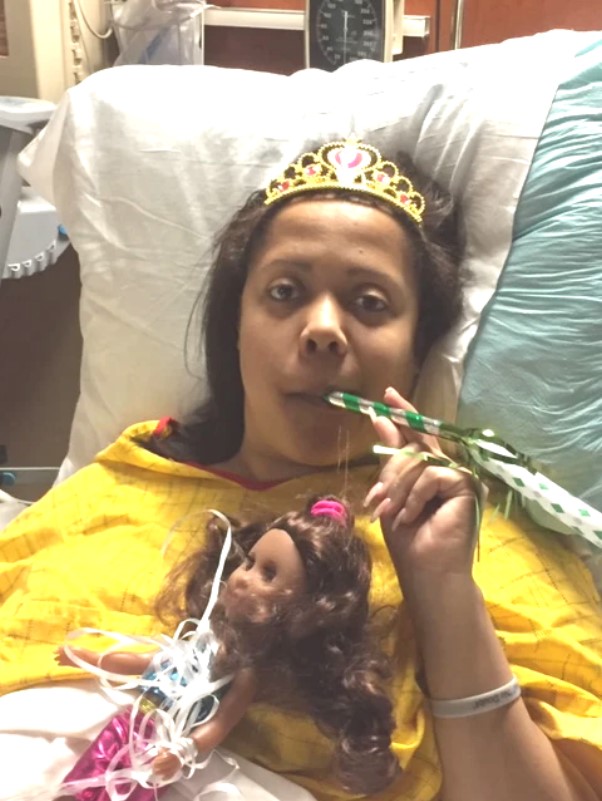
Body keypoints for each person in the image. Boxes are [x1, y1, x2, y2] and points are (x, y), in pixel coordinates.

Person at [0, 137, 601, 801]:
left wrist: (443, 593)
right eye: (285, 292)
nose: (322, 329)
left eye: (370, 302)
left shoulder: (477, 544)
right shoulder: (112, 491)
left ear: (417, 349)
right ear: (235, 327)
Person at [53, 496, 397, 800]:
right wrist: (90, 658)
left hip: (161, 751)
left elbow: (222, 722)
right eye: (249, 562)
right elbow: (148, 661)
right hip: (128, 728)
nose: (244, 577)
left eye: (269, 574)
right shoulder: (204, 638)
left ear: (307, 610)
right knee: (79, 787)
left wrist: (185, 751)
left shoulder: (245, 672)